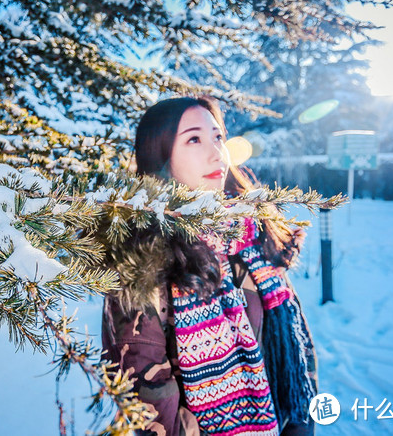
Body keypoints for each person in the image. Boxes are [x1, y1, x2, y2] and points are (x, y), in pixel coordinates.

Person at [101, 96, 317, 435]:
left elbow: (296, 344)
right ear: (161, 158)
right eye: (193, 139)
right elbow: (145, 401)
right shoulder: (144, 259)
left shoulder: (250, 233)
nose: (216, 152)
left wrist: (301, 425)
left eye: (218, 137)